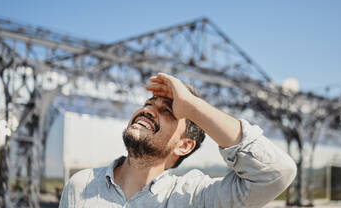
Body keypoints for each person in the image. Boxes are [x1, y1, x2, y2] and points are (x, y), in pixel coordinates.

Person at [59, 73, 297, 208]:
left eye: (168, 111)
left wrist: (193, 107)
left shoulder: (194, 197)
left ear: (184, 145)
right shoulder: (81, 185)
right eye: (148, 104)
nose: (149, 110)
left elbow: (276, 172)